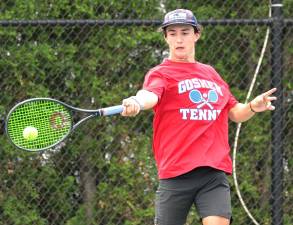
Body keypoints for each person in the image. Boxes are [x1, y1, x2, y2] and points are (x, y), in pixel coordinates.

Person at [121, 9, 277, 225]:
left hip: (213, 173)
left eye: (185, 32)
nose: (179, 39)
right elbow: (150, 95)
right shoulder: (160, 73)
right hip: (175, 171)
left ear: (196, 35)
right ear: (166, 38)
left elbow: (234, 112)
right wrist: (137, 101)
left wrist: (252, 106)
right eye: (172, 33)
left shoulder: (211, 74)